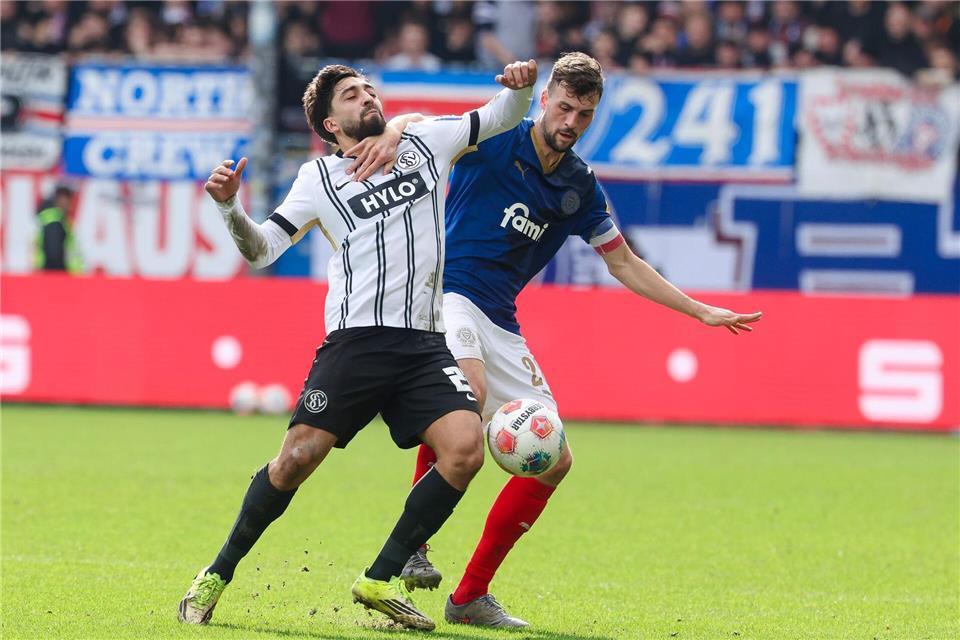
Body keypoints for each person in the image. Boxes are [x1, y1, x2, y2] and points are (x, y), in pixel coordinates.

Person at [348, 51, 763, 628]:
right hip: (446, 295)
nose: (571, 122)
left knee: (555, 460)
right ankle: (415, 545)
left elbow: (624, 263)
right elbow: (422, 127)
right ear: (545, 99)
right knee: (465, 396)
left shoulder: (579, 185)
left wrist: (698, 312)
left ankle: (469, 598)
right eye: (564, 106)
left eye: (584, 114)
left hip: (501, 319)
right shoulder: (494, 138)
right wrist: (393, 128)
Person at [177, 59, 538, 631]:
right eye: (351, 94)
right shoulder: (317, 180)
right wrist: (229, 207)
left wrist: (521, 92)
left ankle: (378, 580)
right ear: (329, 123)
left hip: (424, 343)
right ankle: (215, 574)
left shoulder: (422, 139)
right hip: (356, 342)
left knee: (466, 449)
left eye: (369, 88)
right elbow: (262, 249)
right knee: (297, 459)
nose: (367, 96)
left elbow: (494, 118)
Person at [35, 184, 81, 272]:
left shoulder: (54, 219)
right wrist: (60, 274)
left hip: (50, 273)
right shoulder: (54, 222)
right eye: (68, 198)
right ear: (59, 199)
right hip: (55, 274)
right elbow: (54, 254)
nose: (70, 203)